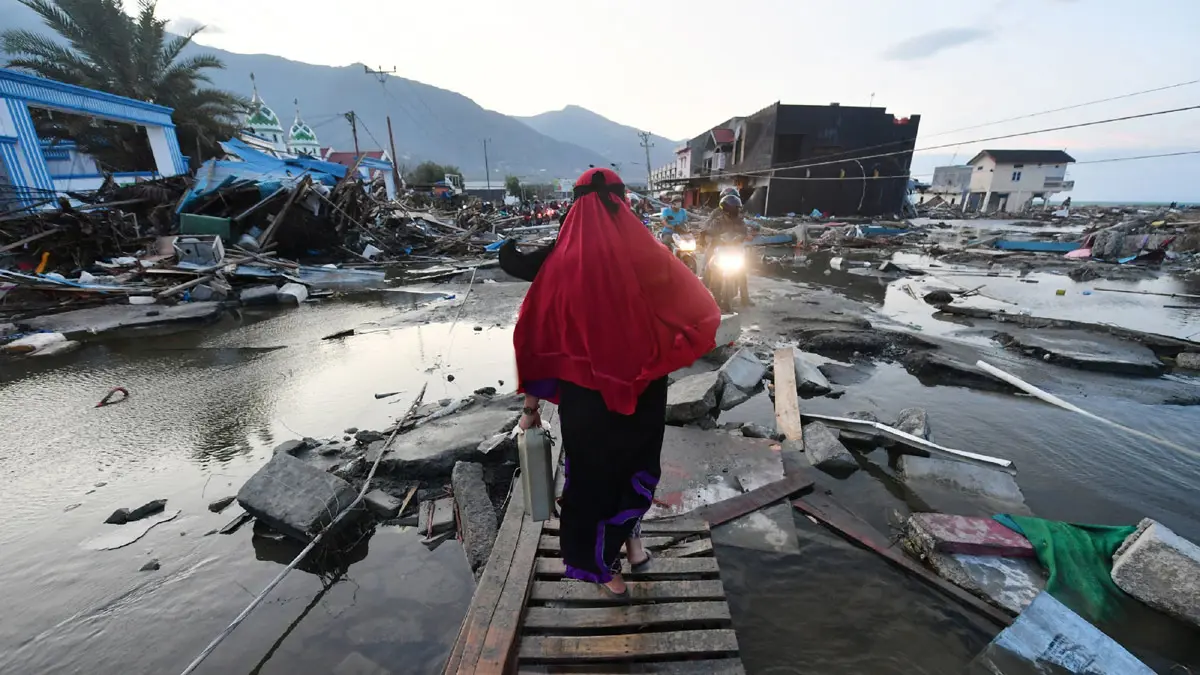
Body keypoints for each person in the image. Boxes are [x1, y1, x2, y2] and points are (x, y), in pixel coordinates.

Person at [499, 168, 720, 597]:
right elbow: (699, 308)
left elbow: (535, 341)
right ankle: (631, 548)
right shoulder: (650, 256)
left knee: (592, 480)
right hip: (643, 391)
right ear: (622, 204)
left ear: (575, 206)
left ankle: (604, 568)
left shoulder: (559, 265)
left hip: (586, 401)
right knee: (634, 467)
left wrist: (530, 410)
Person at [703, 193, 753, 307]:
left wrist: (742, 237)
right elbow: (709, 233)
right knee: (708, 268)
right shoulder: (717, 221)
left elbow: (744, 232)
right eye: (736, 207)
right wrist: (712, 238)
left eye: (738, 208)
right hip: (719, 249)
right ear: (728, 208)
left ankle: (745, 298)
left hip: (735, 250)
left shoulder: (740, 221)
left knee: (742, 272)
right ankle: (704, 293)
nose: (737, 210)